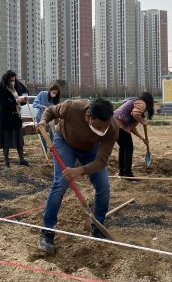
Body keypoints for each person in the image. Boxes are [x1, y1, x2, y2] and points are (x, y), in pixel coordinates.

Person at [37, 98, 119, 254]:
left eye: (106, 126)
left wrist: (79, 170)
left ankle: (97, 227)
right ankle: (47, 231)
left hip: (91, 150)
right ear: (89, 116)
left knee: (104, 186)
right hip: (65, 142)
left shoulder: (113, 128)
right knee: (60, 183)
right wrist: (43, 121)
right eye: (99, 127)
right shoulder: (71, 108)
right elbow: (51, 111)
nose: (103, 130)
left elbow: (101, 161)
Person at [113, 92, 154, 178]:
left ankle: (122, 172)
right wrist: (143, 122)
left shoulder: (135, 104)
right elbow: (135, 114)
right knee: (128, 148)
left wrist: (142, 138)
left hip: (113, 124)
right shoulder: (142, 103)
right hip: (119, 124)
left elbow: (131, 128)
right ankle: (128, 174)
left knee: (123, 148)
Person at [0, 70, 29, 168]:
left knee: (19, 139)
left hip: (15, 116)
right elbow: (4, 103)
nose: (13, 82)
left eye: (14, 80)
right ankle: (7, 162)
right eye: (11, 80)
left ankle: (22, 159)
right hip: (5, 118)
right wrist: (16, 101)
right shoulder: (0, 89)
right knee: (6, 140)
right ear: (7, 80)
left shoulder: (15, 88)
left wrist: (23, 100)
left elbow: (20, 101)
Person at [32, 84, 61, 150]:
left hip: (50, 118)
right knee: (43, 133)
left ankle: (53, 149)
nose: (54, 94)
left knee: (52, 132)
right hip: (40, 117)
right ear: (50, 90)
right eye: (53, 92)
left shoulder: (55, 99)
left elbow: (56, 109)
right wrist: (43, 107)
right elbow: (34, 104)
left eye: (56, 93)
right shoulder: (42, 94)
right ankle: (44, 149)